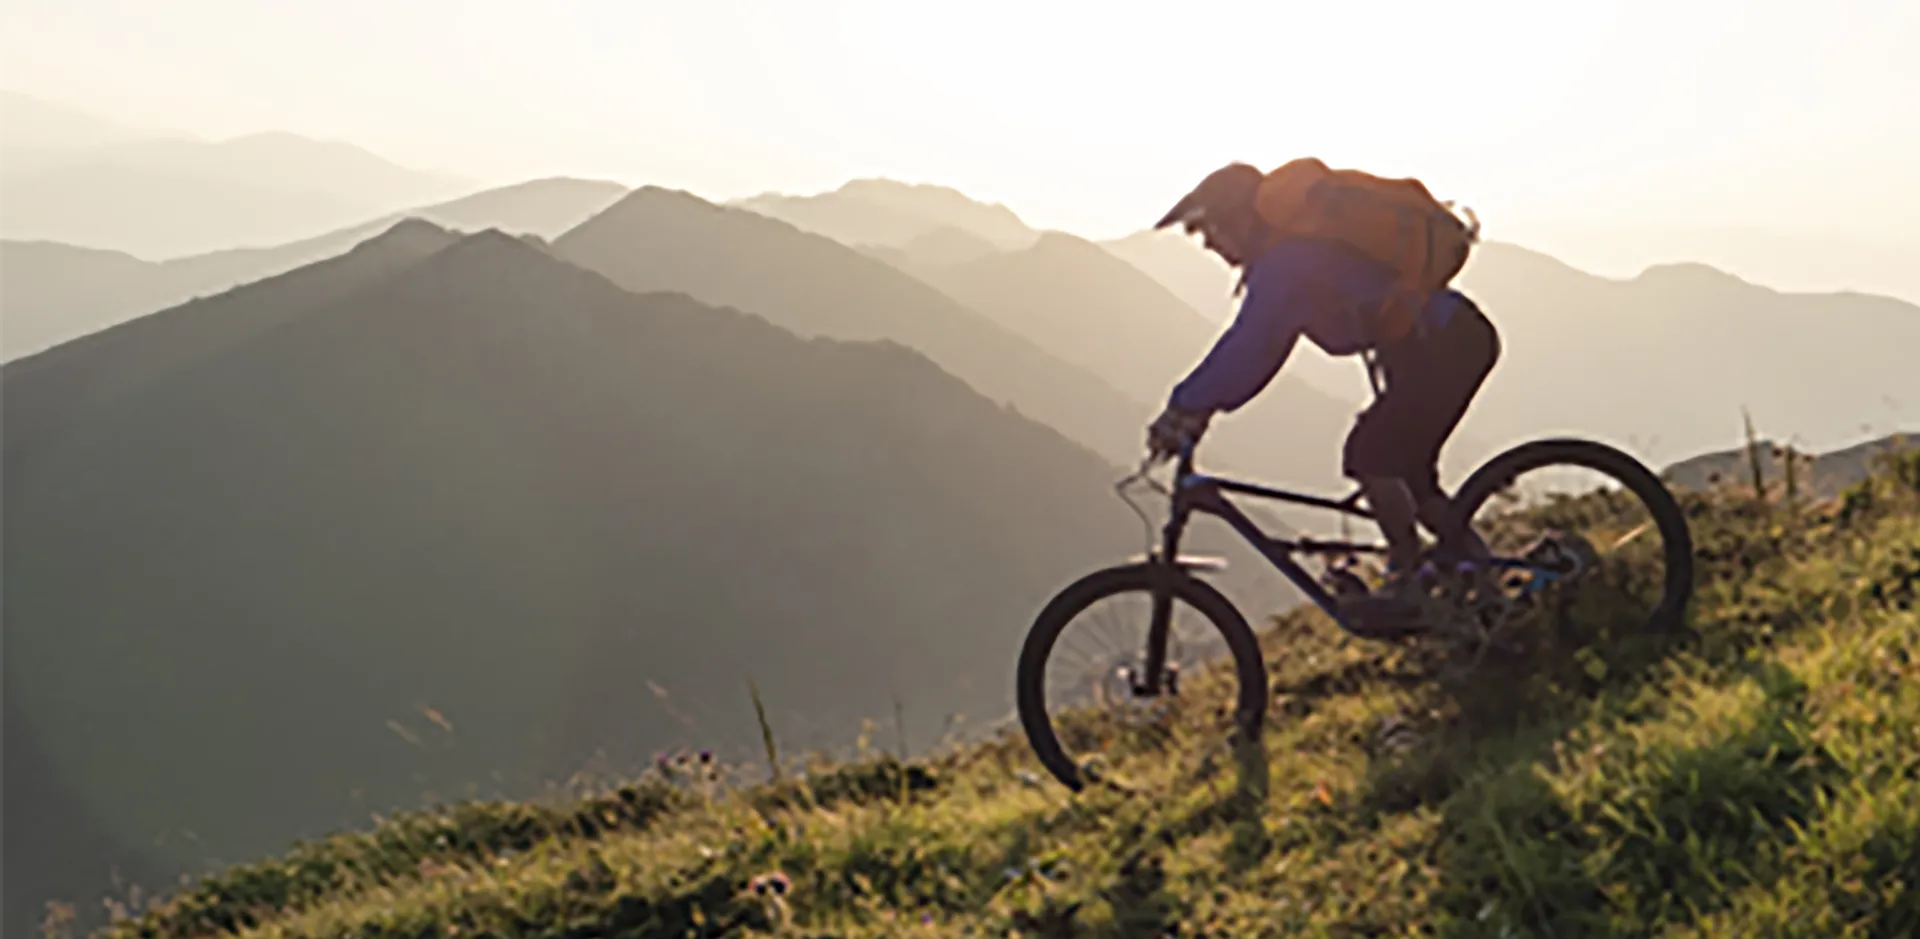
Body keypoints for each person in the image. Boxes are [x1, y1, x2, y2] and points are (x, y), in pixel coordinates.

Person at [1143, 161, 1501, 633]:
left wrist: (1185, 405)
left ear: (1239, 217)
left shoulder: (1285, 264)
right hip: (1443, 343)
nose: (1209, 243)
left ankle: (1408, 576)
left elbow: (1250, 344)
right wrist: (1203, 408)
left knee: (1371, 455)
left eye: (1209, 228)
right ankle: (1491, 587)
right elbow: (1262, 352)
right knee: (1411, 479)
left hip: (1442, 345)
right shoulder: (1287, 261)